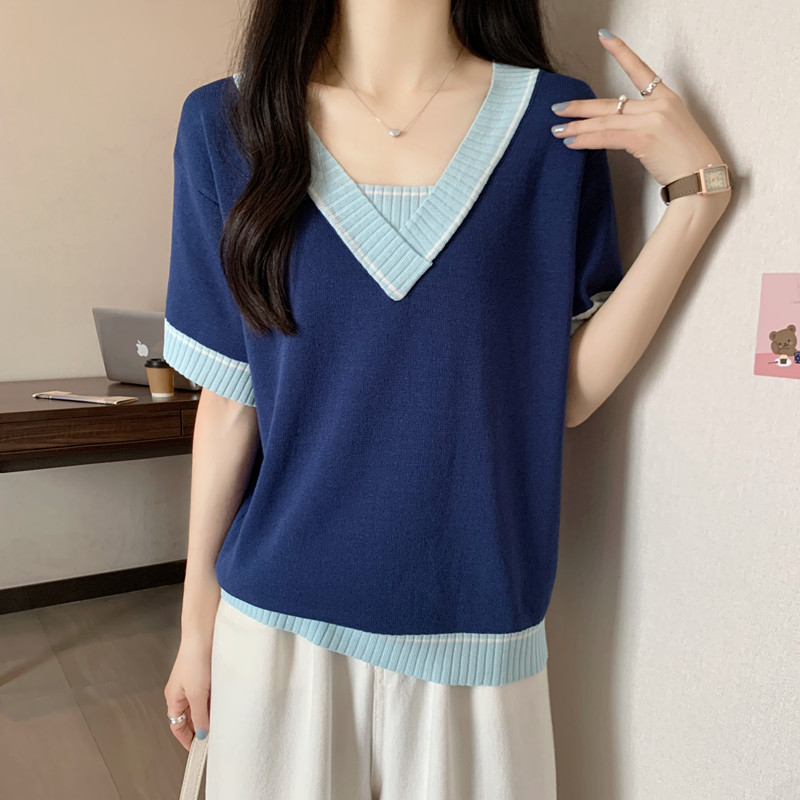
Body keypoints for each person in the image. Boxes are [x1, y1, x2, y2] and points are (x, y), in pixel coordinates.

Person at [162, 1, 732, 797]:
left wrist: (696, 201)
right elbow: (230, 403)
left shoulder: (553, 124)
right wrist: (196, 628)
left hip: (478, 634)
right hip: (276, 632)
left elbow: (561, 392)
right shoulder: (227, 124)